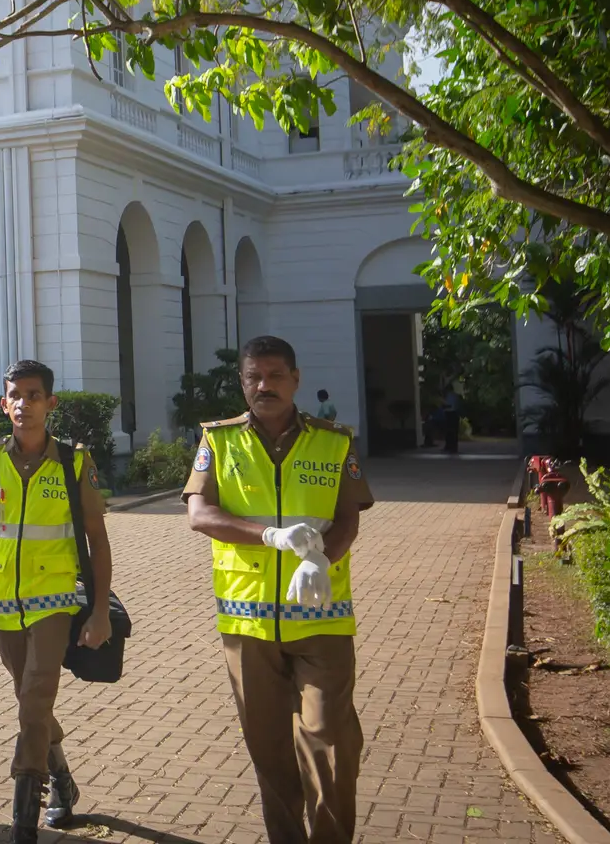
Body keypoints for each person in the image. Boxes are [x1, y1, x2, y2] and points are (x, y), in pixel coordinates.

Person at [184, 335, 374, 844]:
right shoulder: (218, 441)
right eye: (253, 377)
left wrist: (319, 558)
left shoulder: (334, 442)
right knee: (269, 754)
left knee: (329, 742)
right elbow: (199, 514)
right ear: (242, 382)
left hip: (321, 615)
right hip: (247, 622)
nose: (263, 386)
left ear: (296, 379)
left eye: (274, 376)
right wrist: (270, 535)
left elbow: (348, 520)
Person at [0, 359, 113, 844]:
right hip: (2, 602)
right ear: (4, 404)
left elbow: (98, 540)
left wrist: (100, 609)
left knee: (36, 695)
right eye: (15, 395)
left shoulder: (74, 462)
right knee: (30, 702)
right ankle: (62, 781)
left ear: (50, 403)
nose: (24, 404)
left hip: (54, 602)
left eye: (34, 395)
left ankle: (24, 814)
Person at [442, 388, 464, 454]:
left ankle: (451, 447)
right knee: (451, 432)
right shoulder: (454, 396)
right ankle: (451, 447)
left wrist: (443, 404)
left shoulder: (450, 396)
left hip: (451, 413)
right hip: (453, 413)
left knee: (450, 431)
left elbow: (449, 405)